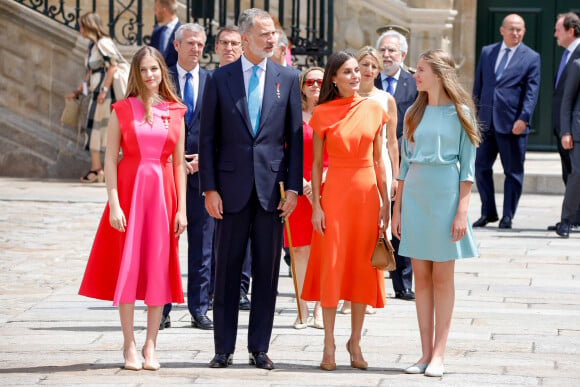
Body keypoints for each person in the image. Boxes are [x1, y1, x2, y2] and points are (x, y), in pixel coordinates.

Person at [199, 8, 302, 370]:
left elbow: (293, 139)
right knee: (226, 272)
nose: (271, 39)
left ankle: (259, 347)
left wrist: (293, 189)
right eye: (264, 34)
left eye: (273, 33)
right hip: (229, 191)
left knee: (267, 271)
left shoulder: (288, 78)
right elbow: (208, 138)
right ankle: (222, 348)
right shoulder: (219, 79)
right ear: (245, 39)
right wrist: (209, 188)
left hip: (271, 193)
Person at [79, 46, 187, 371]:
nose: (150, 75)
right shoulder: (121, 109)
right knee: (125, 269)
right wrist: (113, 202)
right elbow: (110, 158)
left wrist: (182, 208)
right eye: (143, 70)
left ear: (162, 72)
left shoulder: (176, 111)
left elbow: (179, 164)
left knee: (158, 269)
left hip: (163, 198)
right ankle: (128, 345)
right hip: (128, 193)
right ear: (136, 75)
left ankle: (150, 345)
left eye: (154, 69)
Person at [392, 49, 480, 378]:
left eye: (421, 70)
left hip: (445, 198)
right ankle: (424, 353)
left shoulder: (461, 114)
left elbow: (467, 170)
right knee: (422, 279)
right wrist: (397, 210)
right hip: (415, 196)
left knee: (443, 278)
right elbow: (403, 167)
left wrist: (462, 212)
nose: (415, 75)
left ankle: (440, 353)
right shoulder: (413, 113)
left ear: (439, 75)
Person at [301, 51, 390, 371]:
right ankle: (328, 344)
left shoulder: (375, 109)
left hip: (366, 197)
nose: (355, 76)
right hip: (335, 195)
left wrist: (386, 204)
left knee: (359, 270)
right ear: (333, 79)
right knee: (333, 267)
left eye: (358, 71)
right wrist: (316, 208)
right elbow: (314, 165)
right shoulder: (322, 113)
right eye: (348, 72)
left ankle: (355, 341)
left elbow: (379, 160)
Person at [159, 23, 213, 331]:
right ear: (177, 45)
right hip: (168, 173)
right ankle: (163, 307)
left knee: (202, 245)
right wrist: (176, 160)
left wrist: (203, 160)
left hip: (202, 174)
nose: (196, 49)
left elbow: (219, 129)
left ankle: (198, 307)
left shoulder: (212, 81)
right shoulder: (162, 79)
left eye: (200, 44)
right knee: (166, 244)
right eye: (190, 43)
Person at [340, 46, 399, 316]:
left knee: (376, 231)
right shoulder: (346, 98)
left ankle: (371, 290)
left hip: (379, 166)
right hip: (350, 167)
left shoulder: (386, 99)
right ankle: (348, 292)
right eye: (364, 64)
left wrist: (395, 174)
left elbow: (392, 141)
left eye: (373, 66)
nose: (368, 70)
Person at [472, 13, 541, 230]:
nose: (516, 33)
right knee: (480, 167)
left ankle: (508, 216)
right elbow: (479, 86)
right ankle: (488, 212)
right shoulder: (487, 52)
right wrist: (475, 116)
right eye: (512, 28)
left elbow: (532, 92)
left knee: (512, 172)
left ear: (524, 31)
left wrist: (524, 118)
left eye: (520, 29)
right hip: (486, 122)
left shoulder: (531, 57)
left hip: (513, 125)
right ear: (502, 30)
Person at [375, 29, 417, 301]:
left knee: (401, 219)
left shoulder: (414, 84)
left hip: (405, 159)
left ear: (402, 55)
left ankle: (403, 283)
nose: (387, 55)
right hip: (373, 157)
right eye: (383, 50)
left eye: (392, 51)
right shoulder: (368, 80)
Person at [212, 25, 252, 311]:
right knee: (212, 239)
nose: (229, 48)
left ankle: (241, 288)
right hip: (213, 170)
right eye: (224, 43)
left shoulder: (251, 81)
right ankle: (214, 290)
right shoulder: (211, 79)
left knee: (246, 238)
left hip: (246, 174)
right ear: (216, 48)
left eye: (234, 43)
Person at [287, 67, 326, 330]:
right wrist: (300, 183)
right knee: (299, 250)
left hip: (326, 187)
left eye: (319, 81)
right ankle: (302, 308)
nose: (314, 85)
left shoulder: (333, 114)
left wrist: (321, 179)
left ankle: (321, 309)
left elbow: (340, 151)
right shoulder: (291, 117)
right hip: (298, 188)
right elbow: (284, 151)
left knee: (322, 251)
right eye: (309, 81)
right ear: (302, 86)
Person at [66, 12, 121, 183]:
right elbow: (90, 73)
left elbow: (113, 66)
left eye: (82, 25)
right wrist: (77, 92)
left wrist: (104, 90)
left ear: (90, 26)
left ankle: (98, 170)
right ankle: (97, 169)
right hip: (97, 93)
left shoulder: (103, 43)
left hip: (103, 95)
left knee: (98, 130)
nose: (80, 29)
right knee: (94, 129)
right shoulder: (93, 45)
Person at [549, 12, 580, 234]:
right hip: (573, 128)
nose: (554, 35)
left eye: (558, 29)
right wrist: (565, 129)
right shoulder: (574, 60)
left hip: (572, 127)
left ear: (571, 30)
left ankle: (570, 219)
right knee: (572, 172)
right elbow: (566, 97)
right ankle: (570, 219)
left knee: (575, 173)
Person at [556, 56, 580, 238]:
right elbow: (567, 100)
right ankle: (566, 220)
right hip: (578, 131)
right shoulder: (577, 65)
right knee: (577, 174)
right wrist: (566, 131)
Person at [150, 0, 180, 68]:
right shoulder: (156, 32)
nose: (155, 13)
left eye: (156, 9)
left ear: (164, 11)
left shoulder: (184, 32)